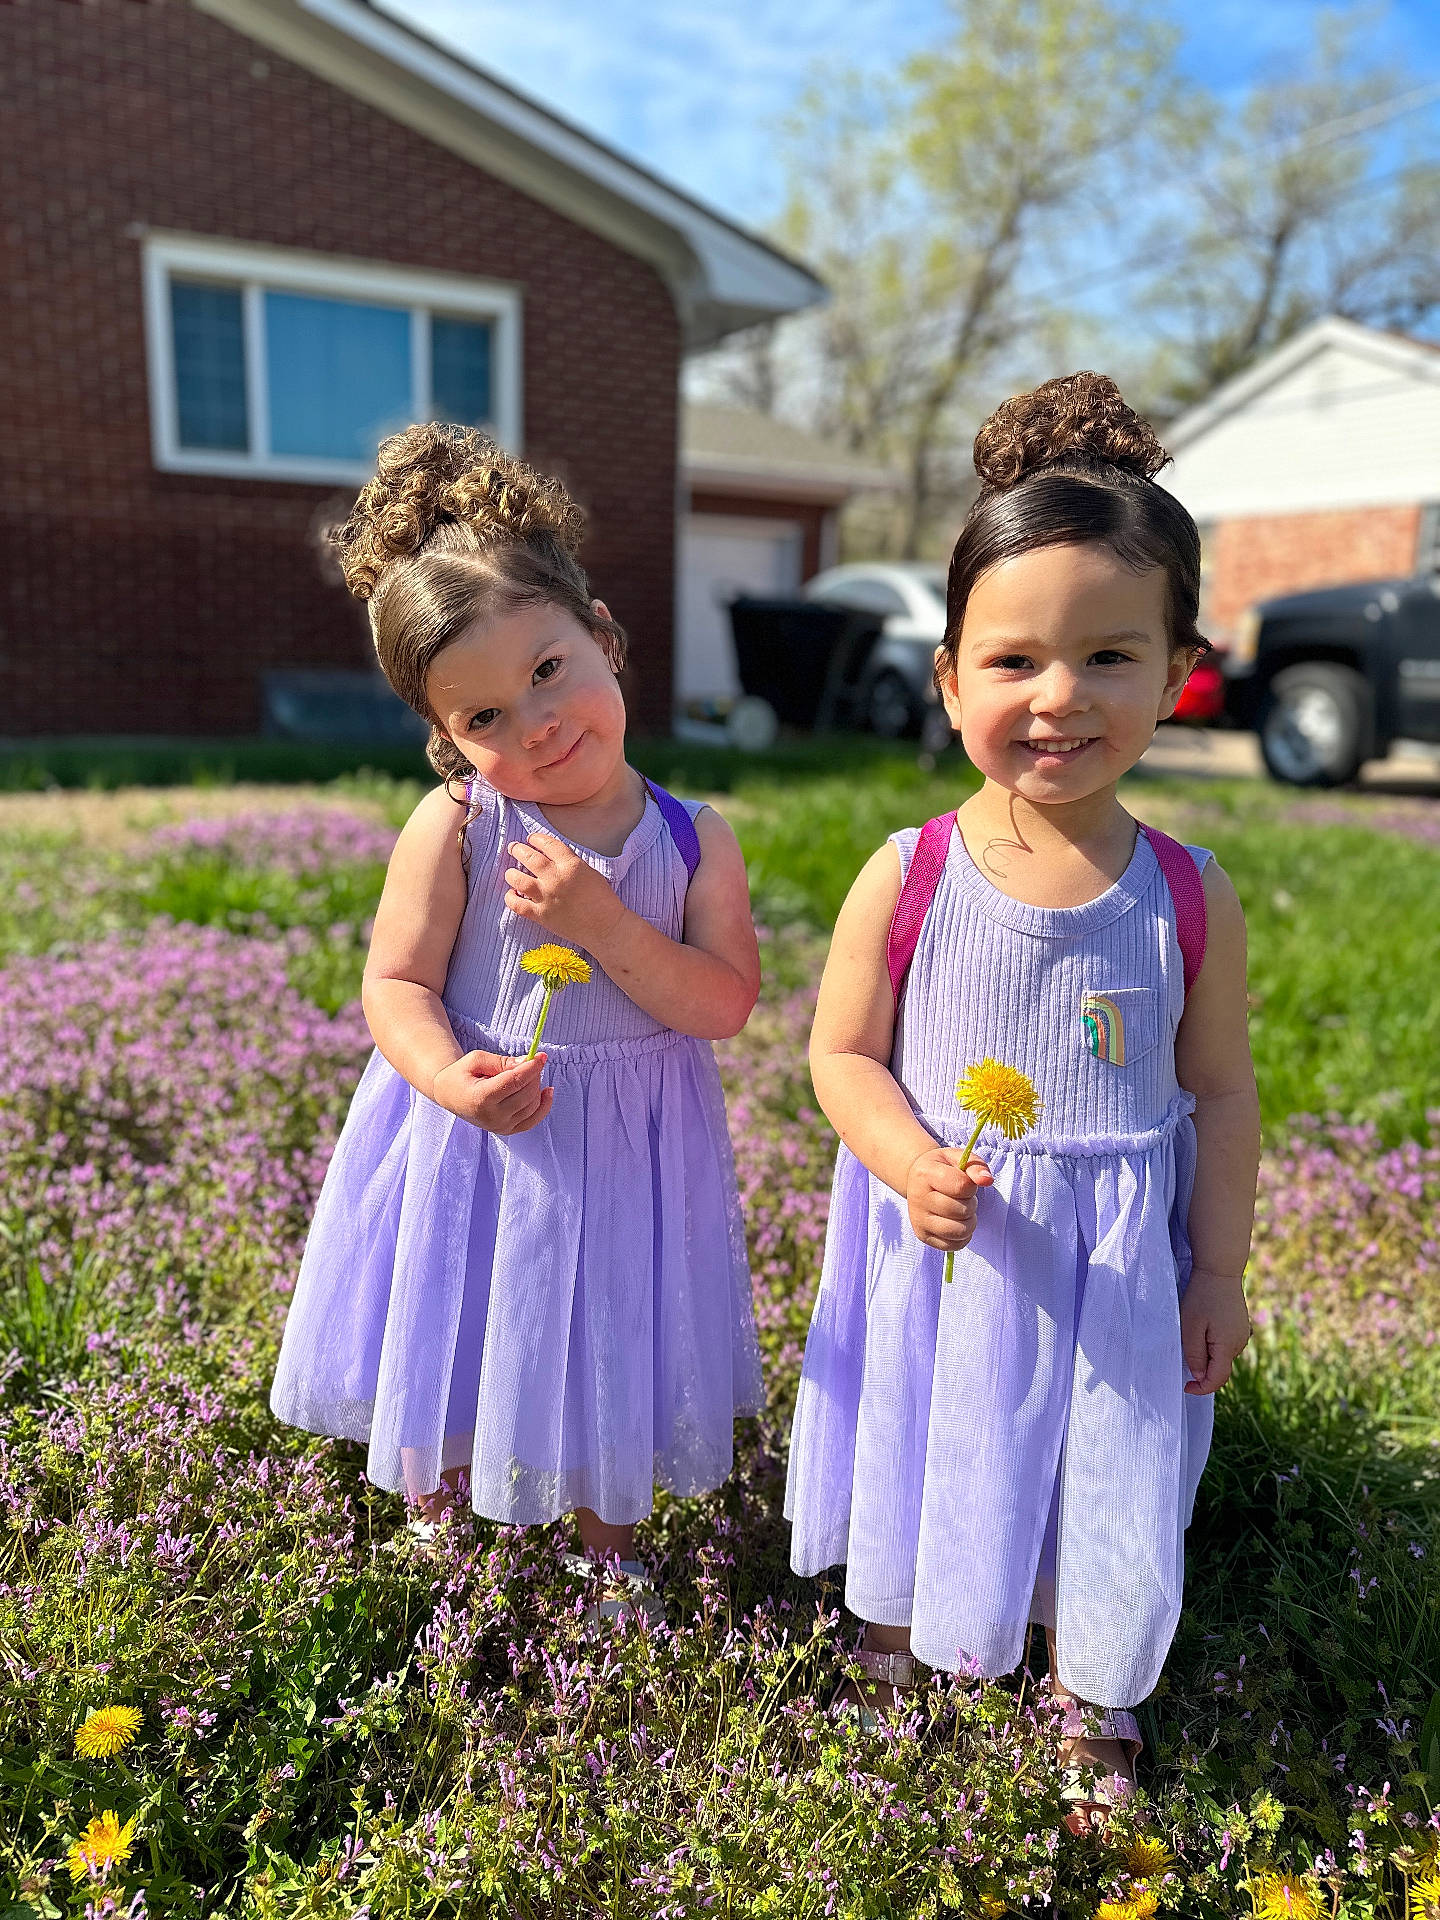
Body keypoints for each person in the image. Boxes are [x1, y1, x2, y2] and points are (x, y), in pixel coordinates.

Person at [784, 372, 1259, 1830]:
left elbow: (1222, 1087)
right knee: (938, 1428)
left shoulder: (1185, 890)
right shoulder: (913, 869)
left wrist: (1219, 1267)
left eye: (1110, 656)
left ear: (1179, 667)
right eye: (1014, 663)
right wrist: (906, 1156)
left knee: (1097, 1453)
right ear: (948, 679)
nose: (1060, 698)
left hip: (1117, 1255)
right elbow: (840, 1054)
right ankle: (896, 1627)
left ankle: (1090, 1678)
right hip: (951, 1234)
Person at [271, 424, 764, 1626]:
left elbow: (723, 1004)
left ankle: (613, 1548)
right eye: (484, 716)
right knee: (465, 1305)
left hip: (633, 1145)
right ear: (448, 738)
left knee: (615, 1330)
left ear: (602, 637)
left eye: (549, 671)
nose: (533, 725)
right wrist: (448, 1079)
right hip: (483, 1133)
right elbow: (394, 984)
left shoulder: (695, 838)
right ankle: (445, 1509)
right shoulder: (456, 829)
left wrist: (600, 917)